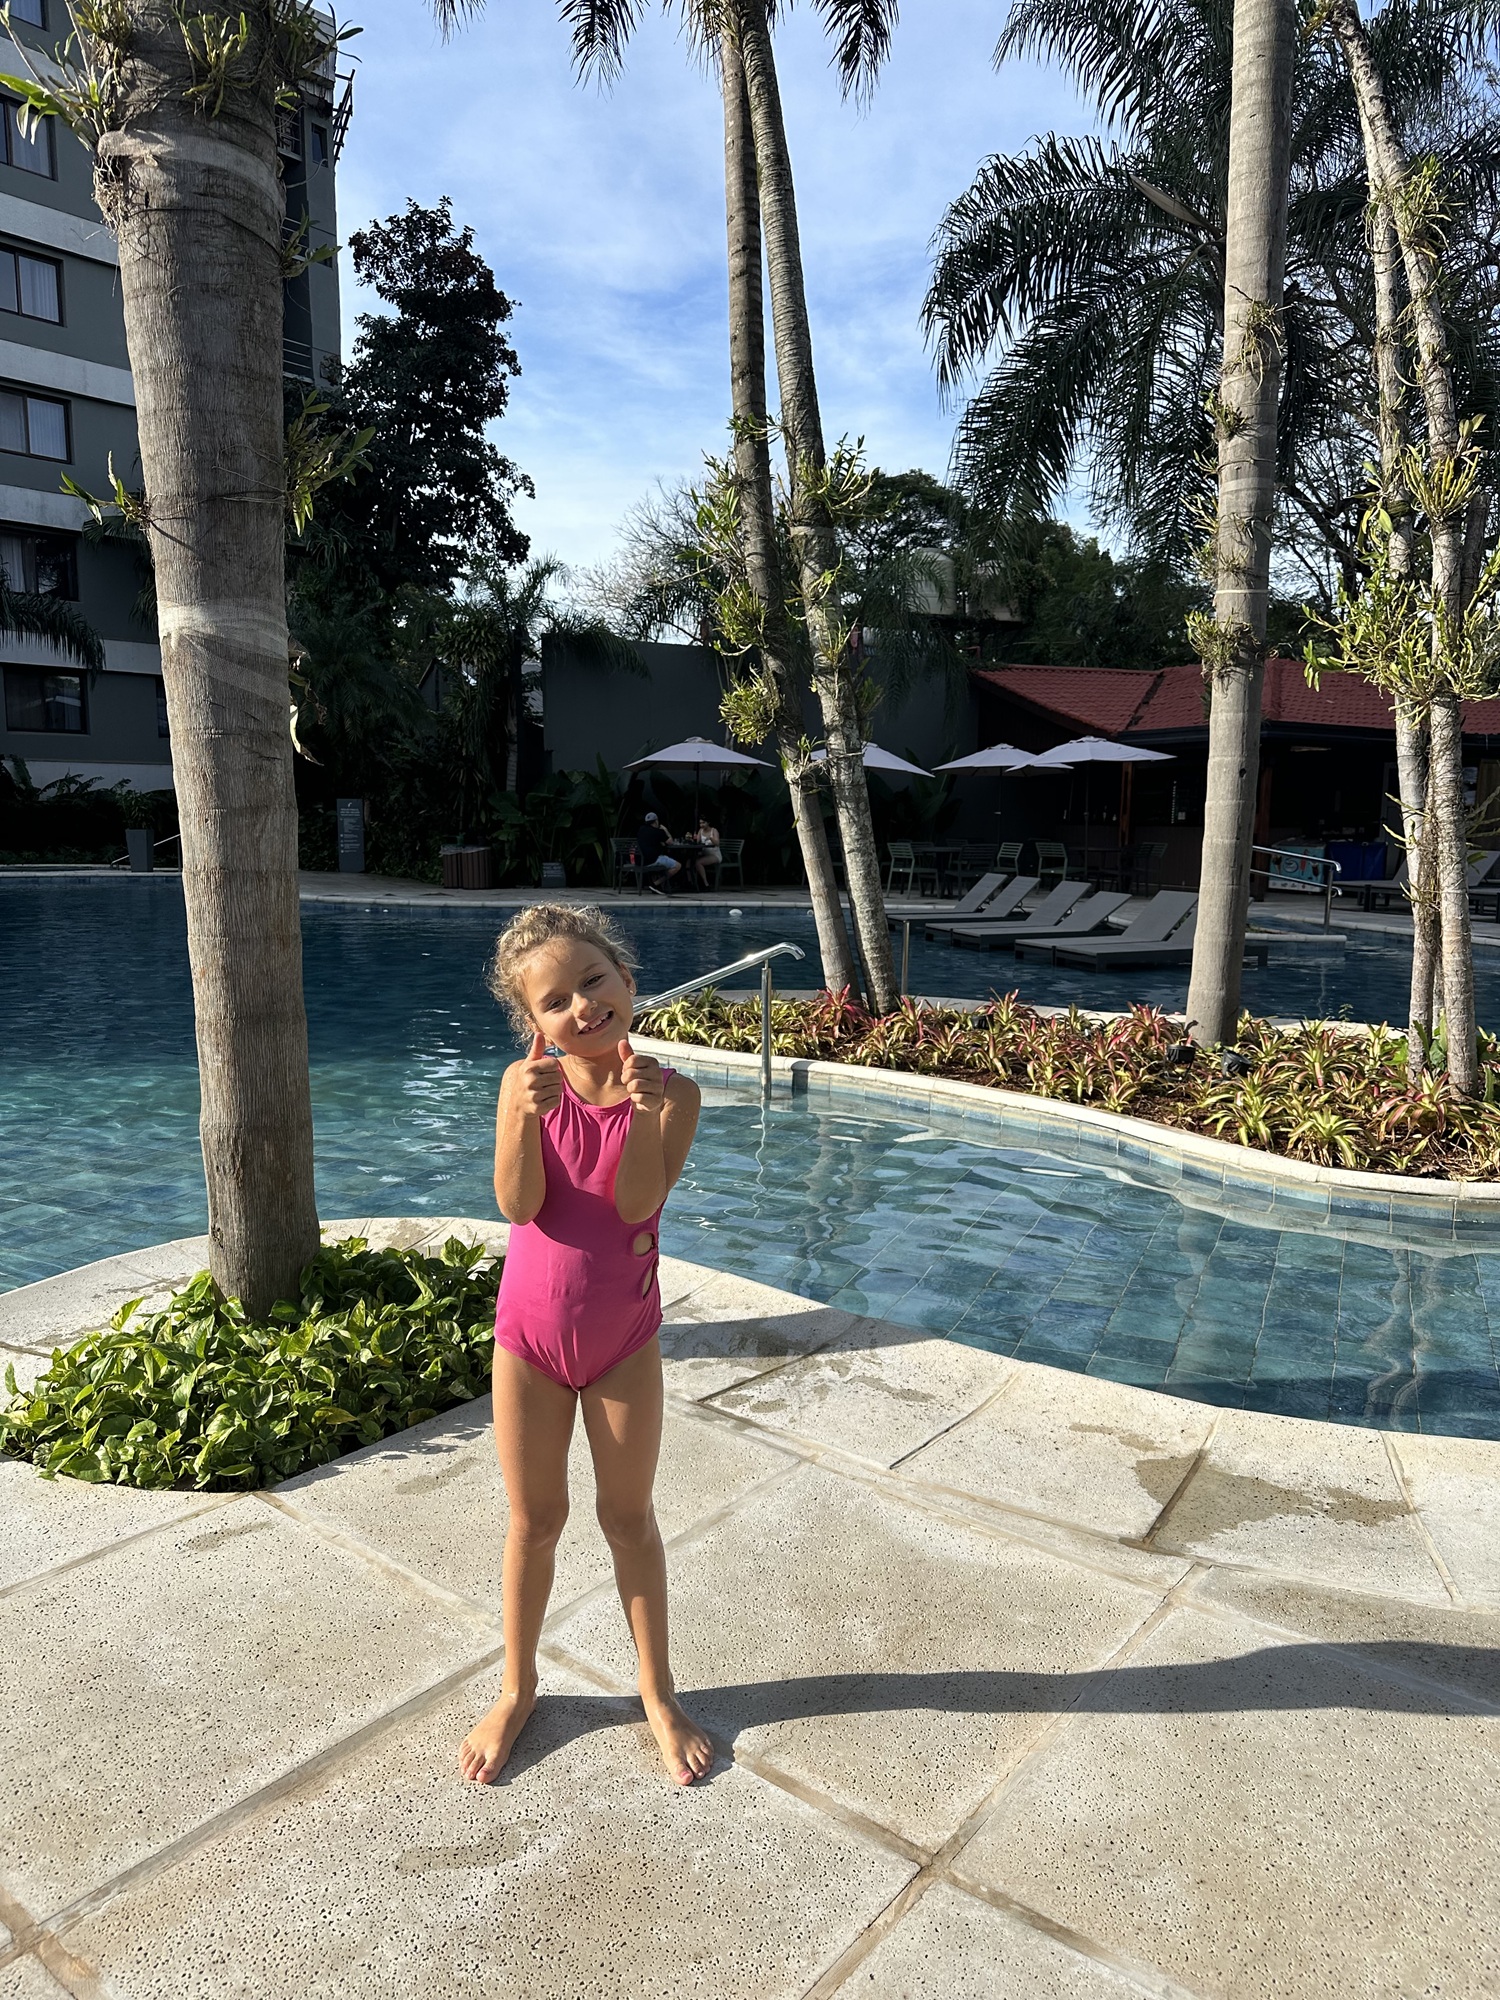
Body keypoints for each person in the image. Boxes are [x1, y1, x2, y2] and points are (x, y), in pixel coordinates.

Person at [459, 903, 713, 1789]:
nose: (582, 1006)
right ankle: (518, 1686)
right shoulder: (519, 1085)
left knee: (627, 1519)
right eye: (556, 1000)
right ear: (536, 1024)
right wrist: (523, 1115)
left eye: (594, 981)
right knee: (535, 1522)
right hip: (527, 1340)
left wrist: (641, 1113)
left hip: (622, 1342)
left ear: (628, 981)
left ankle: (656, 1691)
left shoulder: (673, 1093)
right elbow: (520, 1207)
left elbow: (637, 1205)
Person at [634, 812, 681, 895]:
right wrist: (665, 830)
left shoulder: (641, 829)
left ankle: (656, 884)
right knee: (677, 866)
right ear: (656, 821)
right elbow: (670, 842)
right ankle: (655, 884)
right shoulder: (659, 832)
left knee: (662, 859)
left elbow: (650, 841)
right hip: (652, 860)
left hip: (639, 860)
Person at [690, 817, 722, 891]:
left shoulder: (714, 831)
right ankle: (691, 883)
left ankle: (706, 884)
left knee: (698, 862)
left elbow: (717, 843)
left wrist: (711, 838)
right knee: (689, 861)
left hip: (714, 854)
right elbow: (697, 842)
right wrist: (693, 839)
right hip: (704, 854)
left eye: (703, 823)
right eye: (700, 823)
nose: (701, 825)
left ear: (708, 823)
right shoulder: (700, 831)